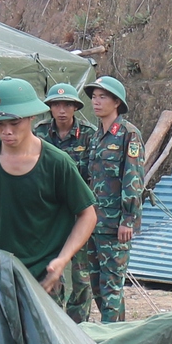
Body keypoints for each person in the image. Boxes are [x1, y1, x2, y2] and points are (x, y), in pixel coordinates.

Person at [0, 76, 99, 306]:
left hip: (45, 278)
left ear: (31, 117)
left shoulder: (57, 163)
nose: (6, 131)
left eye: (14, 123)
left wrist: (63, 260)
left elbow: (88, 214)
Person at [68, 76, 145, 323]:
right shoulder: (95, 135)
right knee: (98, 287)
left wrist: (128, 219)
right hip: (93, 223)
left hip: (115, 225)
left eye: (103, 97)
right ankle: (113, 335)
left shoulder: (128, 134)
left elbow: (133, 179)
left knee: (112, 287)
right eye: (94, 97)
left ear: (116, 102)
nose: (96, 102)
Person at [38, 81, 95, 163]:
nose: (62, 111)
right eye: (56, 105)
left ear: (75, 107)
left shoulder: (88, 133)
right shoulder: (40, 131)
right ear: (50, 107)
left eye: (68, 105)